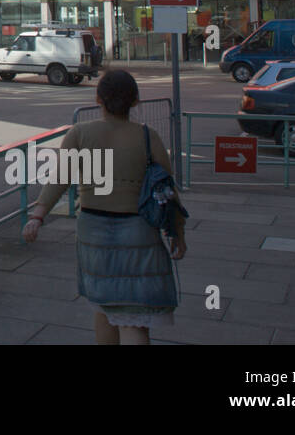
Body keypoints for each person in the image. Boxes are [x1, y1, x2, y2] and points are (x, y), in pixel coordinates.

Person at [23, 69, 187, 345]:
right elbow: (167, 191)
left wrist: (37, 216)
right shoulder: (149, 137)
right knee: (133, 316)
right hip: (139, 232)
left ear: (98, 98)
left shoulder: (80, 134)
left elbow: (60, 179)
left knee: (104, 306)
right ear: (135, 101)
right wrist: (178, 233)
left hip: (93, 232)